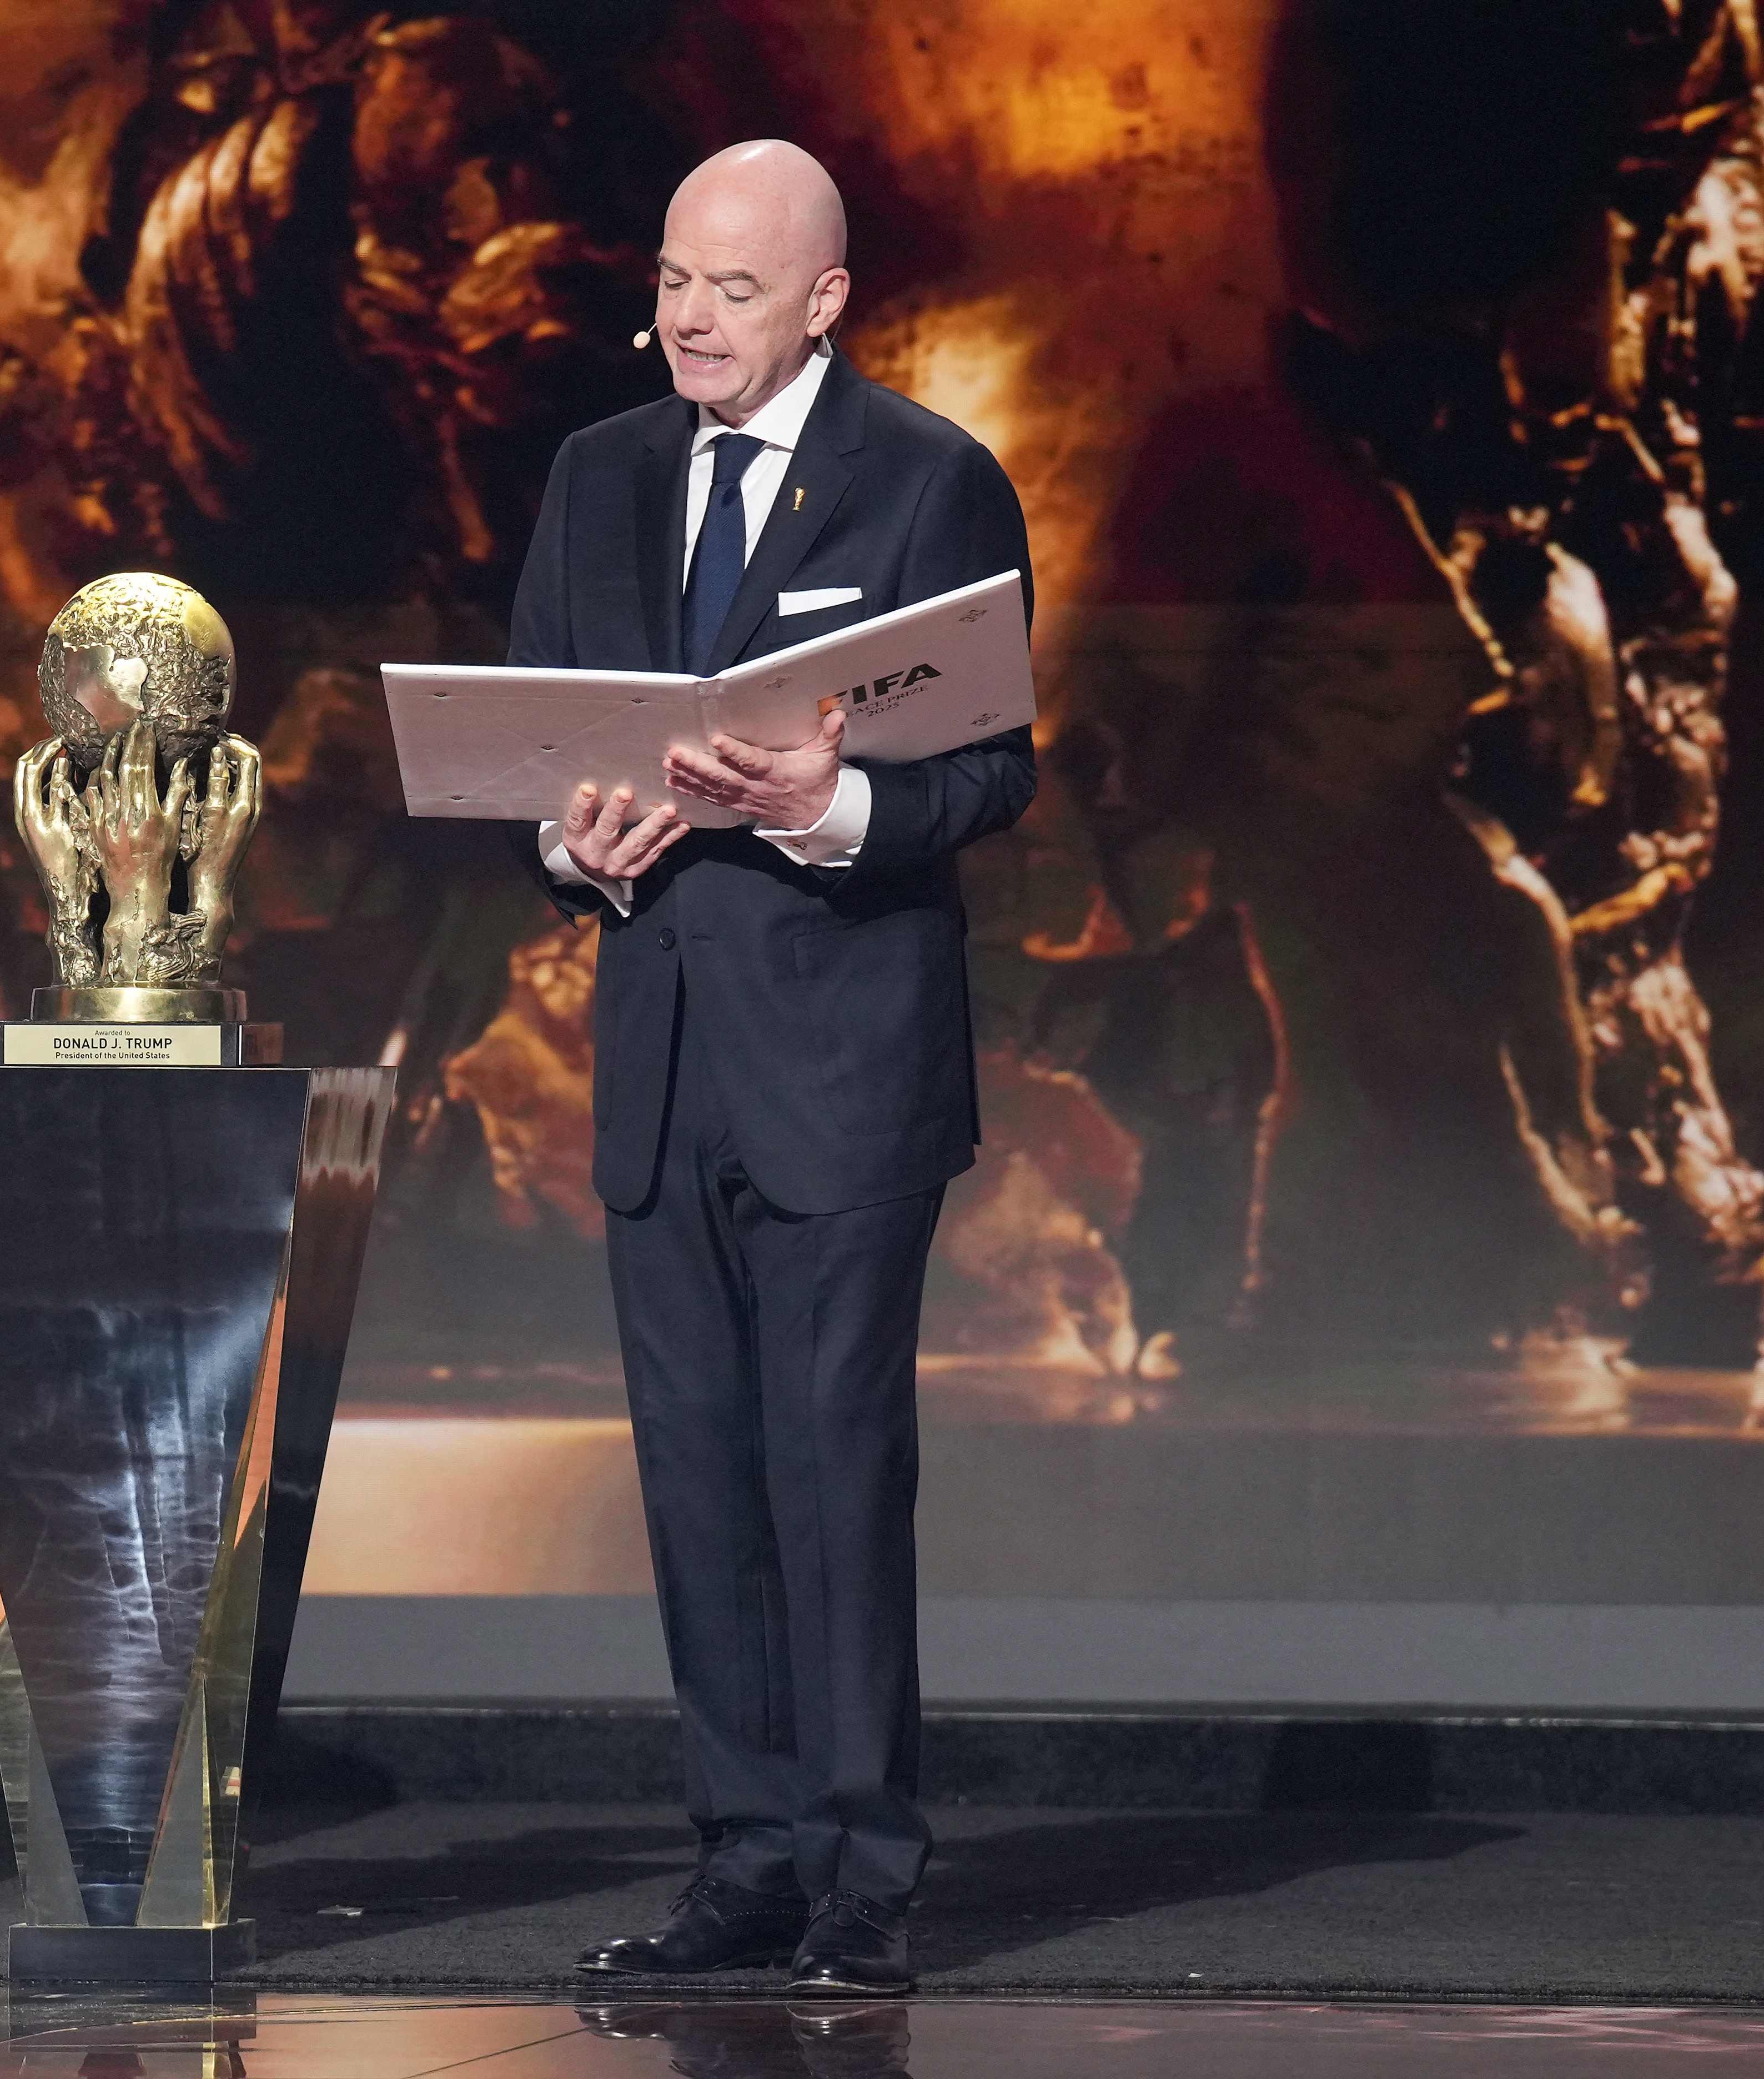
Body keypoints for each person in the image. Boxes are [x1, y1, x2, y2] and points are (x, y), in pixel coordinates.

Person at [511, 140, 1036, 1993]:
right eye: (672, 279)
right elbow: (540, 744)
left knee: (834, 1471)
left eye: (733, 290)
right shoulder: (597, 474)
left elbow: (992, 770)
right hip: (661, 1060)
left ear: (824, 300)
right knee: (698, 1477)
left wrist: (835, 803)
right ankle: (740, 1861)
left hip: (844, 1068)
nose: (690, 317)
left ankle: (860, 1873)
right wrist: (575, 843)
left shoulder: (929, 479)